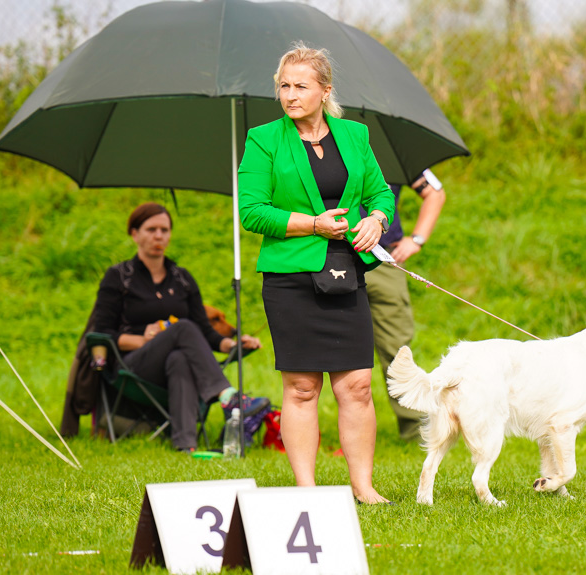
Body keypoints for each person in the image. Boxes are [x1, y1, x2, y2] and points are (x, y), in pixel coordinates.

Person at [237, 43, 395, 504]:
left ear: (324, 90)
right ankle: (306, 491)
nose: (289, 95)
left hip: (346, 270)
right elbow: (252, 212)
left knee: (358, 386)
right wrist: (313, 224)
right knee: (302, 387)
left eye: (300, 86)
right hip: (290, 279)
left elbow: (382, 194)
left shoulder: (355, 136)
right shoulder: (263, 139)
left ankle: (363, 488)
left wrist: (375, 221)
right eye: (283, 86)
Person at [92, 202, 267, 453]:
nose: (158, 235)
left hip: (171, 363)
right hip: (132, 366)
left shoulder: (182, 279)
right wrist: (143, 338)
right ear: (134, 234)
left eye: (164, 229)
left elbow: (205, 332)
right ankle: (229, 398)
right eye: (151, 229)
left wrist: (232, 344)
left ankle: (185, 446)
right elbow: (103, 333)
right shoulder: (118, 276)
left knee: (179, 357)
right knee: (182, 327)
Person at [365, 169, 446, 441]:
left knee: (396, 347)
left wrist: (417, 239)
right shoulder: (314, 140)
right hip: (327, 260)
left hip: (384, 262)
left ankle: (416, 431)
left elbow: (434, 192)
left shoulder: (392, 146)